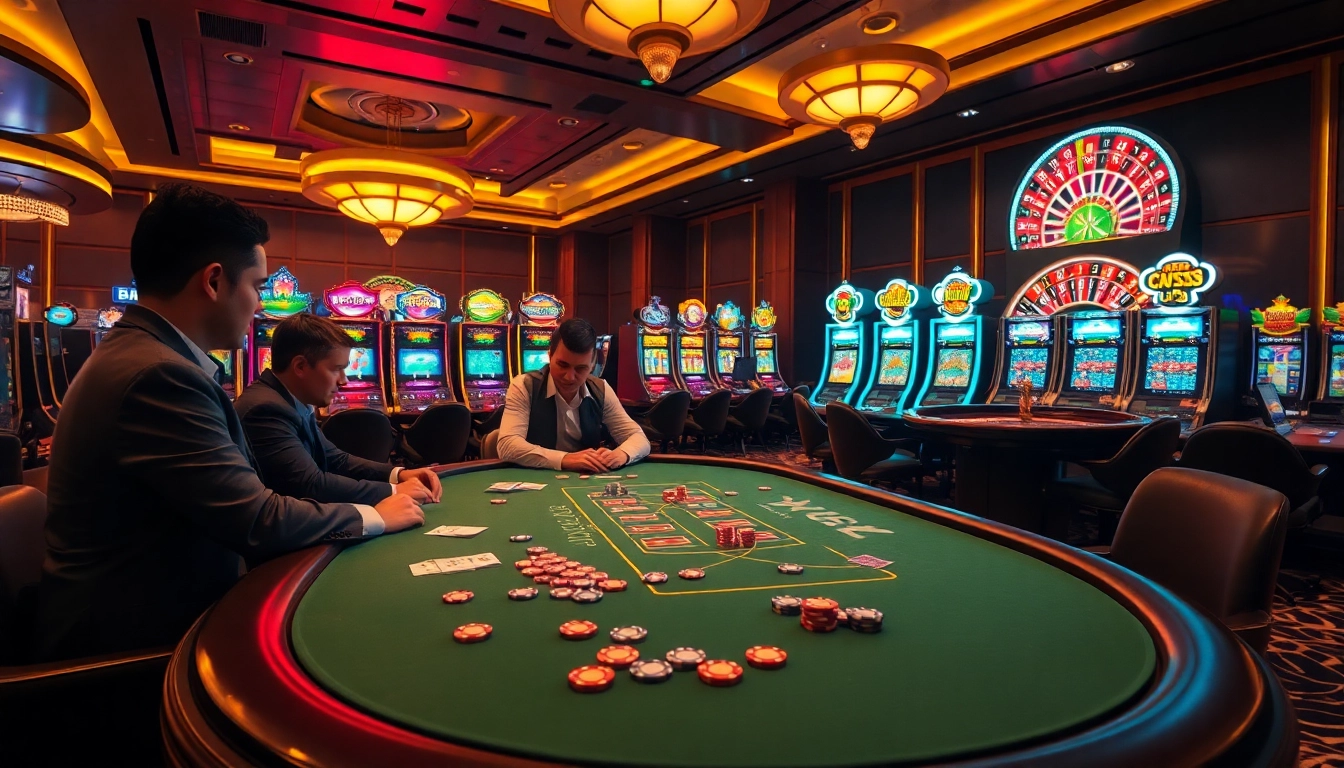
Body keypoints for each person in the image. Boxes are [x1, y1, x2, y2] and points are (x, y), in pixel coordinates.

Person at [33, 184, 424, 661]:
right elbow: (256, 519)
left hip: (151, 603)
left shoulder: (146, 354)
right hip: (131, 642)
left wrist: (390, 481)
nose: (261, 304)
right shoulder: (160, 374)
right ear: (214, 281)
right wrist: (375, 516)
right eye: (258, 285)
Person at [234, 313, 443, 506]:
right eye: (337, 369)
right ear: (300, 367)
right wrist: (393, 491)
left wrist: (399, 474)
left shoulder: (291, 398)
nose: (344, 380)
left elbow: (335, 459)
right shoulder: (265, 410)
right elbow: (310, 485)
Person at [497, 318, 650, 473]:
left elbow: (639, 438)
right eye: (563, 365)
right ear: (550, 356)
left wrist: (620, 454)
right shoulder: (524, 386)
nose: (569, 377)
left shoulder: (600, 388)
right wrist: (565, 459)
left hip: (585, 483)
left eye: (581, 368)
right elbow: (508, 445)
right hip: (536, 480)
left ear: (592, 365)